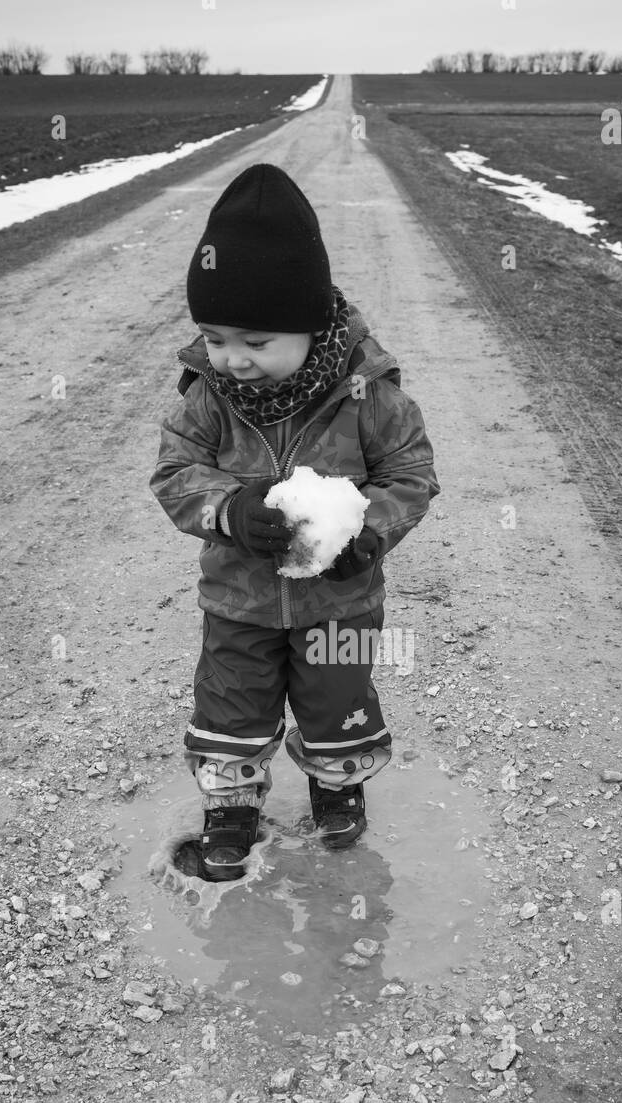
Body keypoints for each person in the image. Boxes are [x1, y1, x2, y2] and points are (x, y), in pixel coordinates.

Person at [150, 163, 439, 880]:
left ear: (311, 327)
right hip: (238, 602)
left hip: (339, 599)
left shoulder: (369, 396)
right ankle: (232, 805)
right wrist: (229, 509)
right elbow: (174, 472)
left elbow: (411, 475)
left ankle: (336, 787)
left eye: (254, 341)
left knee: (336, 700)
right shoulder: (208, 398)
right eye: (214, 338)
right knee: (230, 706)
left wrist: (368, 532)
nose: (231, 359)